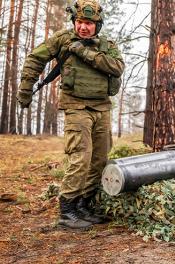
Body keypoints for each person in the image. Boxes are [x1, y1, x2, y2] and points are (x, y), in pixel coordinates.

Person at [17, 0, 124, 229]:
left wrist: (84, 52)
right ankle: (68, 211)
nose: (83, 27)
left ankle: (84, 206)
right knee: (81, 156)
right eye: (79, 22)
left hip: (102, 107)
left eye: (88, 23)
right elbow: (35, 58)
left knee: (99, 159)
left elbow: (117, 67)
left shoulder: (107, 44)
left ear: (98, 25)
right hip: (76, 106)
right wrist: (25, 89)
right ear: (74, 22)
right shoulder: (63, 40)